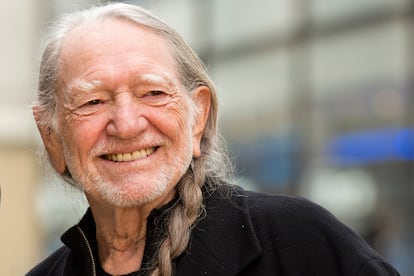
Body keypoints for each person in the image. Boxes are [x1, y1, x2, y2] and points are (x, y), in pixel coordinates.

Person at [27, 3, 399, 276]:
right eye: (93, 101)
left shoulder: (298, 242)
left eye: (153, 93)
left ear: (198, 117)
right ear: (52, 137)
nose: (126, 125)